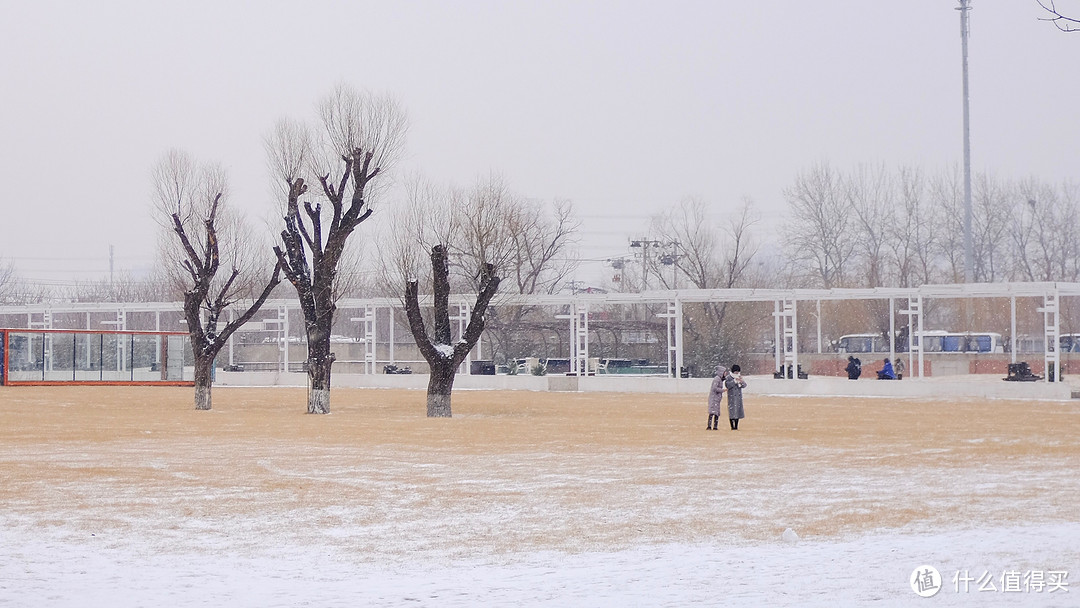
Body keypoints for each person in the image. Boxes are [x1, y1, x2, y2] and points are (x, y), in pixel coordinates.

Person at [725, 364, 748, 430]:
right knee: (732, 412)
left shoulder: (739, 376)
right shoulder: (728, 377)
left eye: (738, 371)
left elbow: (744, 385)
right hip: (732, 397)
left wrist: (741, 381)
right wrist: (734, 381)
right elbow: (727, 385)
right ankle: (732, 426)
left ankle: (736, 426)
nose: (737, 373)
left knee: (737, 411)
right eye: (736, 372)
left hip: (738, 397)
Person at [707, 365, 727, 430]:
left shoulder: (720, 379)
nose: (726, 373)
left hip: (717, 399)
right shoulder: (717, 379)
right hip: (714, 398)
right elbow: (714, 388)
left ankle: (715, 426)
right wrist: (722, 390)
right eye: (725, 372)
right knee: (713, 412)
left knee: (716, 413)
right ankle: (710, 426)